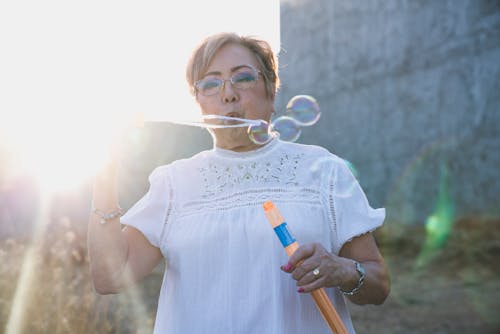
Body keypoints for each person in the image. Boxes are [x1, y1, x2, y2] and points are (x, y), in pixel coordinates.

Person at [88, 32, 390, 334]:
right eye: (210, 83)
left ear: (272, 92)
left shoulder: (323, 171)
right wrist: (104, 179)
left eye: (243, 78)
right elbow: (111, 277)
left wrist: (344, 271)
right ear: (198, 104)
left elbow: (378, 284)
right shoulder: (174, 182)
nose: (228, 94)